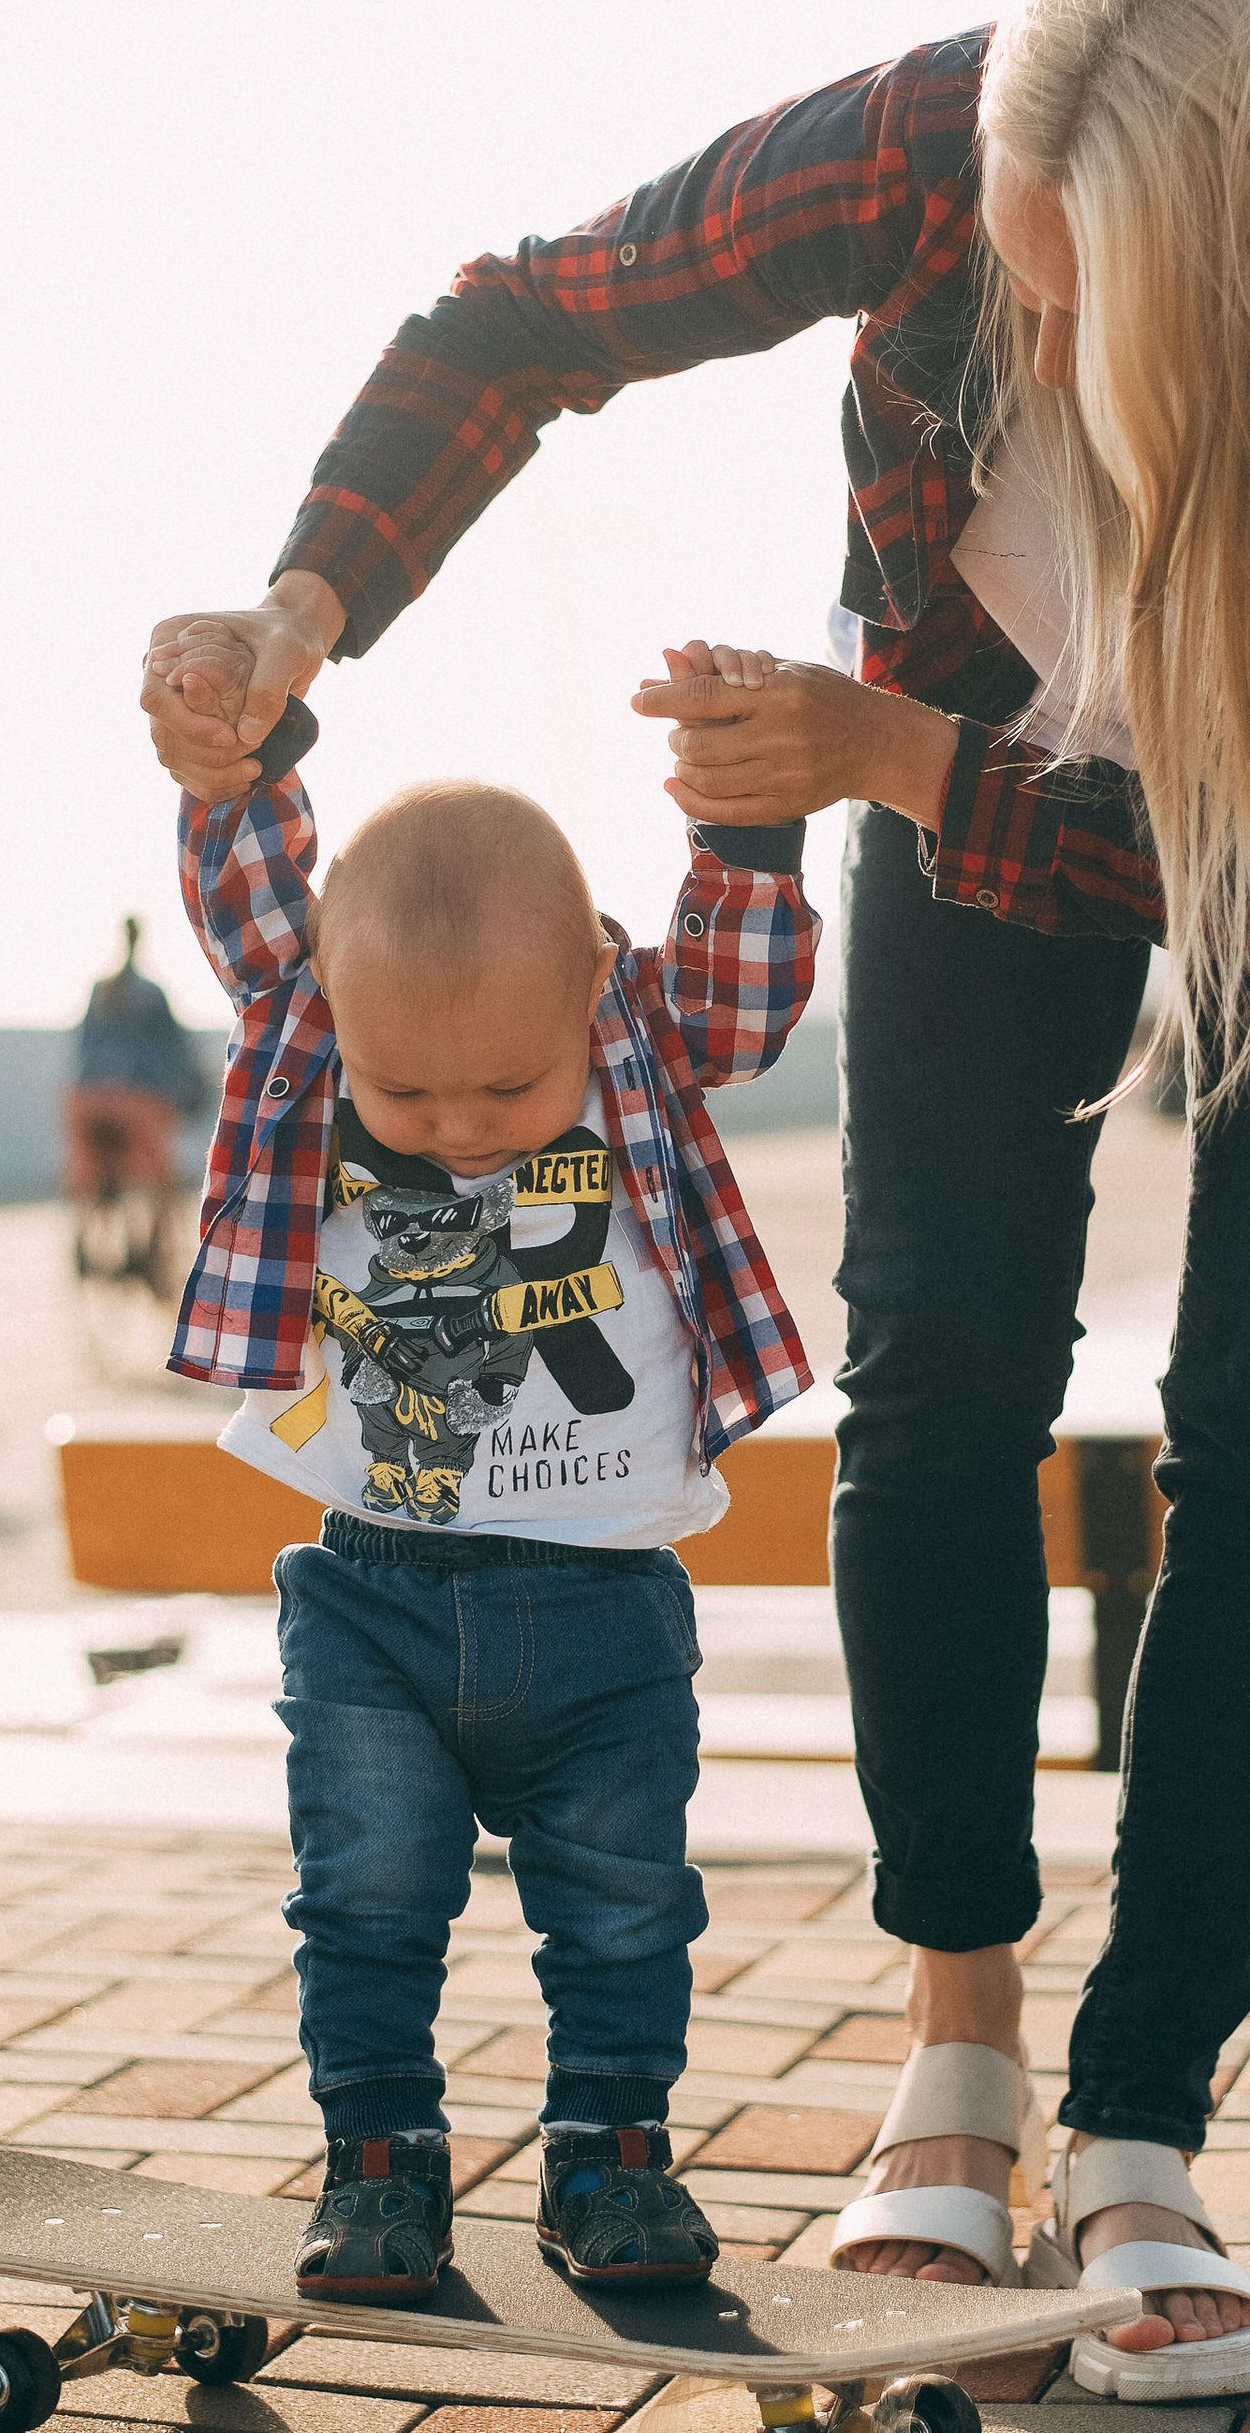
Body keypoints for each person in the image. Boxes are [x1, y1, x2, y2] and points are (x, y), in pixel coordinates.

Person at [144, 0, 1250, 2395]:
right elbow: (524, 317)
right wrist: (299, 604)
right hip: (957, 771)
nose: (1038, 336)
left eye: (1087, 298)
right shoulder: (916, 152)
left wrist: (885, 760)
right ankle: (961, 2042)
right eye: (1012, 269)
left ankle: (1138, 2120)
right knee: (940, 1375)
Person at [167, 651, 818, 2300]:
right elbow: (256, 914)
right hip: (373, 1597)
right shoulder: (319, 1025)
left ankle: (608, 2158)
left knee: (623, 1912)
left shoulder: (637, 1036)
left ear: (593, 991)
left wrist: (744, 820)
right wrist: (233, 763)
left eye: (507, 1092)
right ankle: (379, 2157)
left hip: (604, 1606)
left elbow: (741, 990)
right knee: (365, 1902)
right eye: (415, 1094)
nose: (460, 1126)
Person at [65, 916, 209, 1265]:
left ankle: (84, 1236)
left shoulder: (99, 990)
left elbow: (82, 1048)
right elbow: (175, 1051)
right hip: (138, 1102)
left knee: (94, 1168)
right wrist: (197, 1089)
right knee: (162, 1178)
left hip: (87, 1100)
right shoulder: (152, 995)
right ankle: (153, 1253)